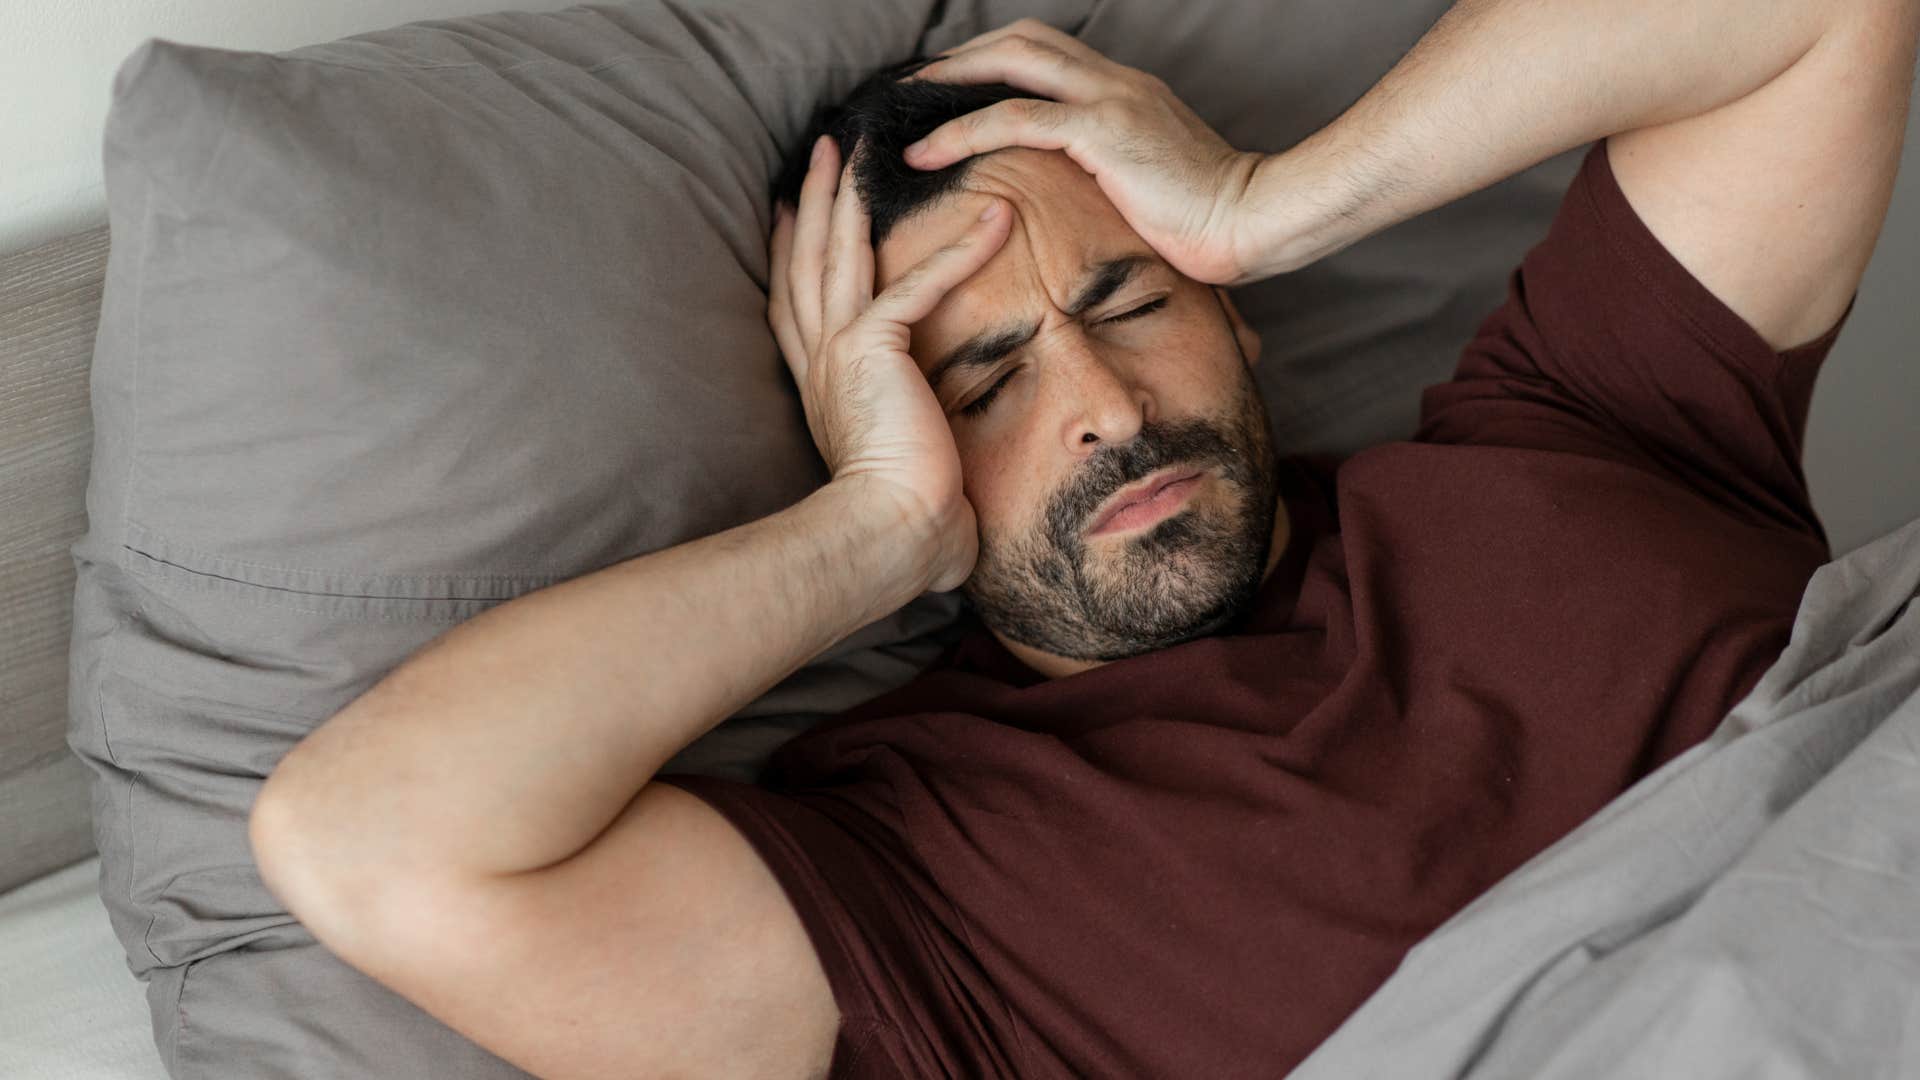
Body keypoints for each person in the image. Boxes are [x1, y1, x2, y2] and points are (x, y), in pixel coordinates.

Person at [247, 4, 1918, 1079]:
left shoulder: (1574, 419)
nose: (1105, 404)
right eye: (980, 379)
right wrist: (876, 529)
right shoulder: (910, 885)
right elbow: (371, 842)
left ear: (1239, 320)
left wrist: (1272, 199)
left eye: (1131, 299)